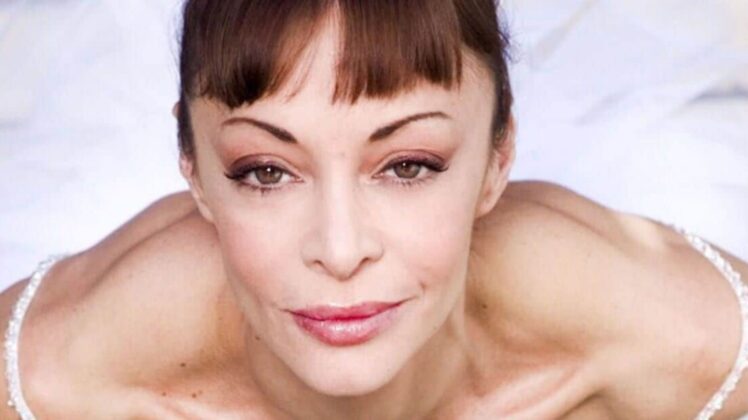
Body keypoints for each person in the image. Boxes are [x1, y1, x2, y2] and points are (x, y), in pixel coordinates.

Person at [1, 0, 747, 418]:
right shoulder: (62, 371)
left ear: (498, 158)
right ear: (193, 170)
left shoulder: (674, 336)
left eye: (408, 165)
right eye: (266, 172)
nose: (340, 248)